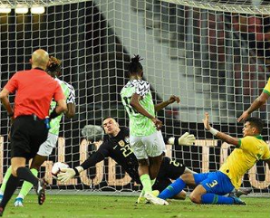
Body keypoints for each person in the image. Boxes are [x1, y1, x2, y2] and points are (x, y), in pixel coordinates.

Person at [57, 117, 196, 202]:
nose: (107, 126)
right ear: (104, 130)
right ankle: (154, 193)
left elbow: (155, 139)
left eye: (110, 122)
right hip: (143, 174)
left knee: (191, 175)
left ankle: (212, 187)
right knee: (182, 195)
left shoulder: (131, 131)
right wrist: (76, 170)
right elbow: (95, 158)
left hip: (159, 162)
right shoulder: (108, 146)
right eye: (104, 125)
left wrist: (177, 141)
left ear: (116, 124)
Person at [0, 56, 76, 207]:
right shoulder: (68, 87)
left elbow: (21, 105)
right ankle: (20, 199)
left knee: (18, 162)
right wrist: (55, 112)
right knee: (34, 166)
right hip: (50, 131)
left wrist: (13, 125)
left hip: (28, 125)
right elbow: (70, 112)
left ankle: (2, 193)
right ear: (59, 72)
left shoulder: (34, 82)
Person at [158, 113, 270, 205]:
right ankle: (159, 198)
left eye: (246, 126)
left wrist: (210, 128)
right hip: (221, 175)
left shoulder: (250, 140)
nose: (243, 129)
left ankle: (231, 200)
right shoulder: (264, 146)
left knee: (195, 197)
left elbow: (229, 140)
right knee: (185, 177)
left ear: (254, 130)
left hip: (225, 178)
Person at [119, 55, 181, 205]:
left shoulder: (123, 90)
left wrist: (167, 102)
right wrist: (153, 119)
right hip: (149, 131)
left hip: (134, 133)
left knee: (142, 163)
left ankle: (145, 194)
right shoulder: (143, 84)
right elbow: (135, 103)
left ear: (128, 73)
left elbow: (147, 107)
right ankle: (148, 192)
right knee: (157, 160)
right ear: (141, 72)